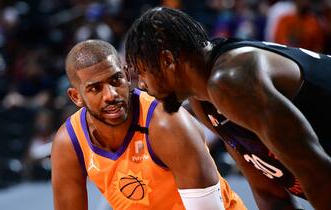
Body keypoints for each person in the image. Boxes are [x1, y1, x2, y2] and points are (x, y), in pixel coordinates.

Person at [125, 7, 331, 210]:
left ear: (167, 60)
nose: (142, 84)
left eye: (143, 71)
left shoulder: (231, 80)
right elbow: (269, 193)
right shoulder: (203, 100)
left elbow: (319, 175)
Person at [51, 39, 246, 210]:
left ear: (127, 76)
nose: (111, 95)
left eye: (116, 80)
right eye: (95, 88)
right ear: (76, 97)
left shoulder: (167, 123)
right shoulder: (69, 143)